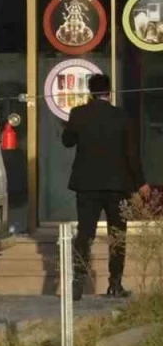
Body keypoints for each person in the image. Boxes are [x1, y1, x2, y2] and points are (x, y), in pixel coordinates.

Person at [62, 73, 148, 300]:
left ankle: (78, 281)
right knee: (117, 234)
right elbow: (132, 153)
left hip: (87, 185)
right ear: (109, 92)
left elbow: (67, 141)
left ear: (90, 92)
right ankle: (115, 284)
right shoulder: (121, 117)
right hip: (118, 185)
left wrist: (70, 126)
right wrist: (140, 182)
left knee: (85, 233)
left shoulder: (79, 114)